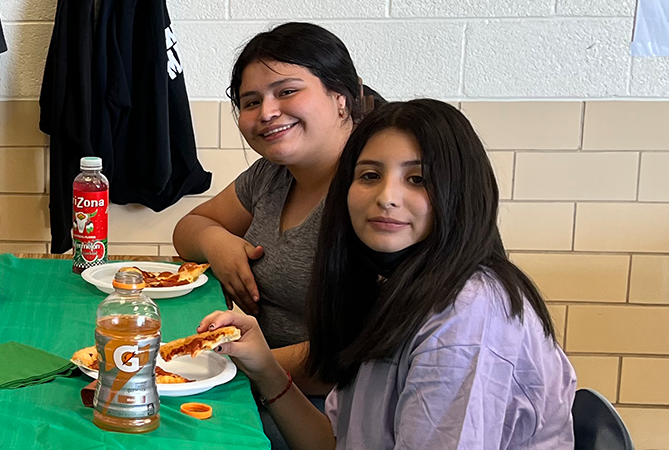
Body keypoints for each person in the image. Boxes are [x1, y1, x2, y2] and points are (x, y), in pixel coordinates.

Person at [199, 99, 577, 450]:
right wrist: (264, 366)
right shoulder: (393, 285)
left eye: (417, 179)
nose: (386, 197)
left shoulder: (466, 318)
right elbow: (332, 443)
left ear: (459, 193)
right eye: (369, 176)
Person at [171, 22, 383, 393]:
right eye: (251, 102)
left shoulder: (376, 193)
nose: (267, 112)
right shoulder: (272, 174)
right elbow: (189, 227)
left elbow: (361, 352)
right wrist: (216, 243)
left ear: (342, 97)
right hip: (266, 384)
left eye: (287, 91)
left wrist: (222, 362)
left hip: (330, 406)